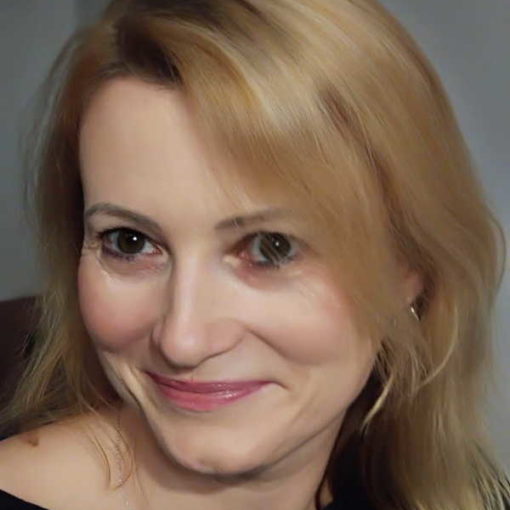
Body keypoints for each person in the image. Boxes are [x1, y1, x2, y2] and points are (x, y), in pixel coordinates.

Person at [0, 0, 508, 509]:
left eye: (272, 248)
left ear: (408, 269)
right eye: (129, 242)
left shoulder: (455, 493)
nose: (183, 341)